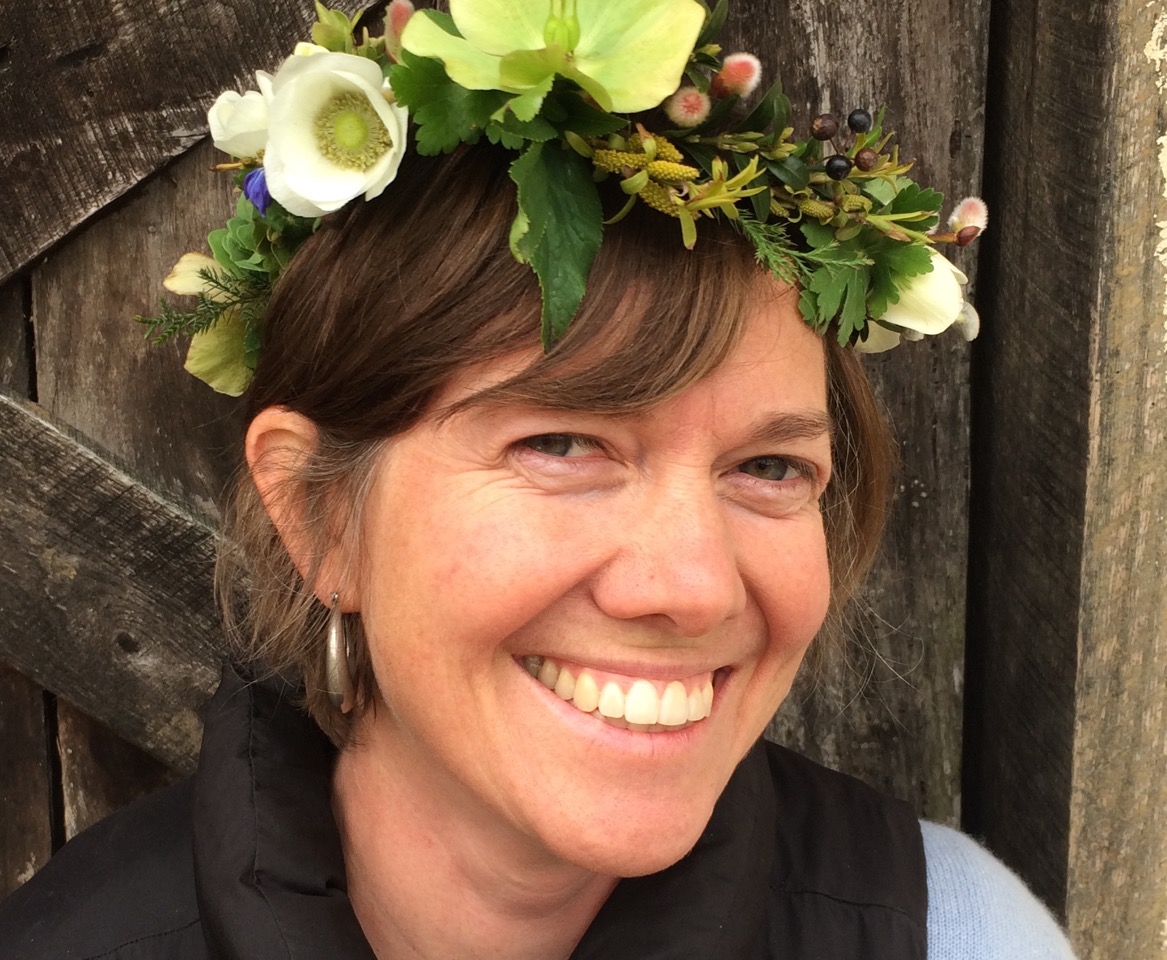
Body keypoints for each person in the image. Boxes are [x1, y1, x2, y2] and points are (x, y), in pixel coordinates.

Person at [0, 1, 1076, 957]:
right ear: (320, 515)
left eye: (769, 466)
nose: (692, 586)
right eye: (562, 446)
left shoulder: (962, 938)